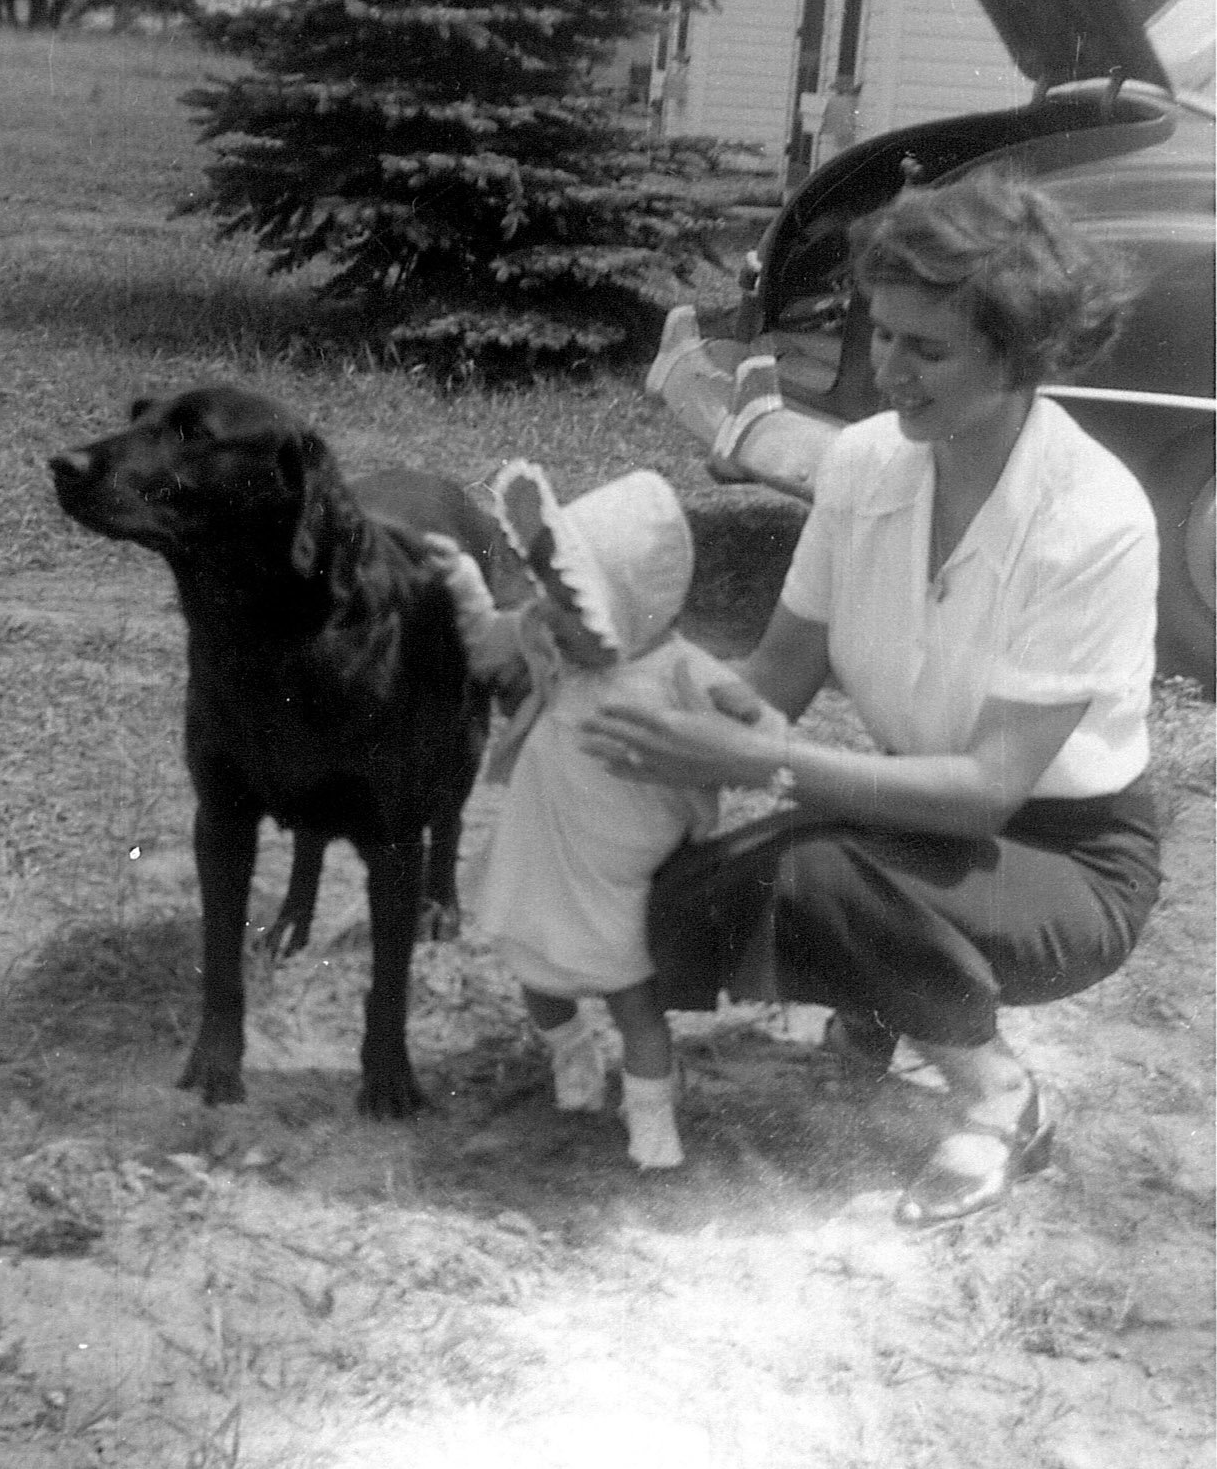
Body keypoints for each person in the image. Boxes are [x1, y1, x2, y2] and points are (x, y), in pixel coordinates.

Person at [580, 164, 1163, 1227]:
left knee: (811, 872)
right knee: (658, 914)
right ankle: (880, 987)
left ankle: (999, 1097)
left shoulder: (1092, 519)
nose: (886, 370)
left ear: (1017, 353)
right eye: (881, 333)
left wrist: (752, 762)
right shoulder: (862, 466)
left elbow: (989, 792)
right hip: (903, 817)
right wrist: (615, 696)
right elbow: (774, 683)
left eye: (925, 348)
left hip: (1067, 861)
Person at [427, 463, 739, 1170]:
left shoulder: (680, 673)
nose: (556, 624)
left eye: (579, 610)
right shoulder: (547, 632)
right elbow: (485, 643)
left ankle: (651, 1112)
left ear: (632, 605)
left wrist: (753, 736)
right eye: (555, 604)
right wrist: (461, 581)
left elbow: (751, 725)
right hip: (545, 845)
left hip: (620, 864)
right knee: (537, 970)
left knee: (633, 995)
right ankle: (571, 1051)